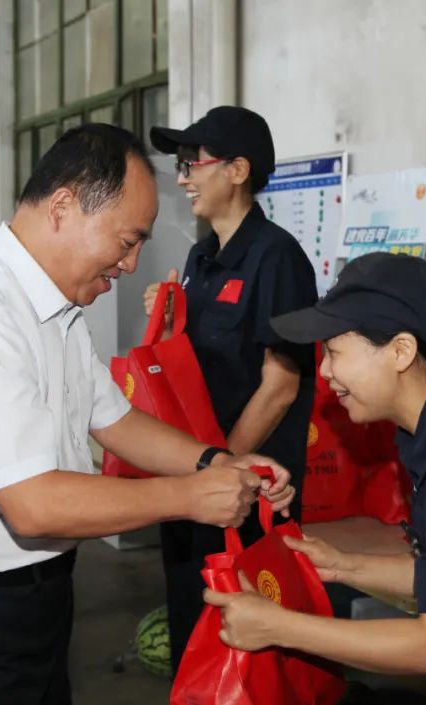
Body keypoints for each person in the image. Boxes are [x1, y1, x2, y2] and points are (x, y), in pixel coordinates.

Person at [0, 123, 295, 705]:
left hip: (38, 595)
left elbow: (116, 420)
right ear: (64, 206)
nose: (130, 265)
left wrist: (219, 462)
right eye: (127, 241)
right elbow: (35, 505)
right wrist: (191, 496)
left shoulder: (58, 310)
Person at [202, 253, 426, 699]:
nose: (325, 372)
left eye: (334, 352)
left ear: (401, 350)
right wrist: (342, 564)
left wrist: (278, 627)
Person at [146, 105, 318, 672]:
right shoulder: (201, 258)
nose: (183, 176)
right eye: (180, 163)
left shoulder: (278, 257)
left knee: (249, 650)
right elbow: (194, 365)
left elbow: (281, 386)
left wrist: (225, 469)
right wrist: (167, 323)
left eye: (194, 162)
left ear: (238, 170)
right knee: (191, 628)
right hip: (197, 477)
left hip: (248, 492)